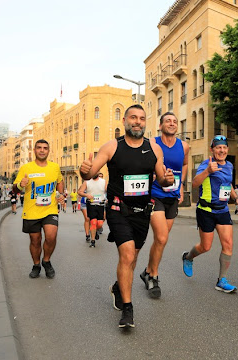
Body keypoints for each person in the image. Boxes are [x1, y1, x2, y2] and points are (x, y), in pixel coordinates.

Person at [80, 104, 174, 329]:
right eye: (133, 117)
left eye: (141, 118)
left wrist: (167, 180)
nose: (138, 121)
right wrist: (84, 170)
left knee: (132, 259)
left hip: (143, 210)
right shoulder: (112, 146)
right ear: (124, 120)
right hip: (117, 208)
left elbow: (160, 179)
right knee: (128, 254)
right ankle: (127, 308)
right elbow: (90, 172)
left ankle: (117, 287)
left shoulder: (154, 148)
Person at [181, 135, 238, 294]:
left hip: (222, 210)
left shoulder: (229, 165)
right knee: (205, 246)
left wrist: (236, 199)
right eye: (218, 147)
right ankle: (188, 257)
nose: (221, 150)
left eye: (224, 147)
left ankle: (222, 280)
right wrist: (208, 171)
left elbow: (227, 184)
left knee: (228, 244)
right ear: (212, 149)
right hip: (206, 210)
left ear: (227, 149)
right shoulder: (206, 164)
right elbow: (195, 183)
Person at [140, 112, 189, 299]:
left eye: (175, 121)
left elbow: (184, 165)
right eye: (168, 121)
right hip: (155, 194)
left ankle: (147, 271)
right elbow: (144, 163)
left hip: (173, 195)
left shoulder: (184, 146)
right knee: (160, 238)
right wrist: (150, 176)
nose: (172, 123)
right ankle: (153, 276)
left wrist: (182, 184)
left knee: (162, 239)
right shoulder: (152, 143)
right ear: (160, 125)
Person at [13, 139, 65, 279]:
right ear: (34, 150)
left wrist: (61, 194)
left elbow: (60, 181)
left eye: (45, 148)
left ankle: (46, 260)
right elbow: (14, 188)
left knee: (51, 236)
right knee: (35, 240)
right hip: (31, 211)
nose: (42, 150)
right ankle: (36, 265)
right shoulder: (26, 168)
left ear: (48, 151)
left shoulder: (54, 167)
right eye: (39, 148)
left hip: (50, 209)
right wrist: (20, 185)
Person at [79, 173, 107, 248]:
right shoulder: (87, 182)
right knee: (93, 222)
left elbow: (108, 191)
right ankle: (93, 241)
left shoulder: (103, 181)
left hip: (100, 204)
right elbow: (80, 192)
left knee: (100, 223)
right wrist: (86, 195)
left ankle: (95, 232)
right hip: (91, 204)